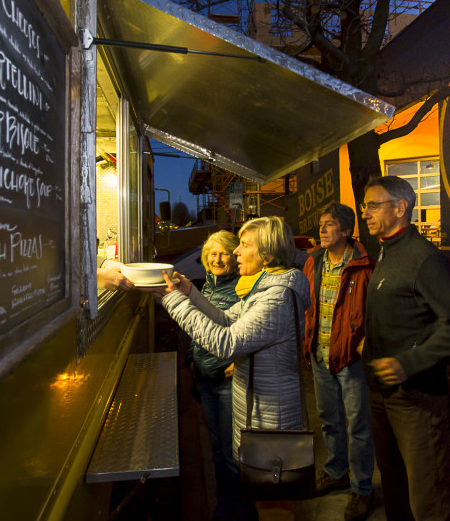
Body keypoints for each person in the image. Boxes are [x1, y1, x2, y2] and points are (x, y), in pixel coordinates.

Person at [149, 216, 311, 521]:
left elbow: (225, 342)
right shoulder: (264, 289)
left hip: (270, 419)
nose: (236, 252)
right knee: (262, 499)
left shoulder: (274, 298)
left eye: (244, 245)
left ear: (267, 253)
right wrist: (189, 294)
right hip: (260, 412)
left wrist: (174, 302)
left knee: (273, 507)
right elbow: (226, 318)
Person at [360, 175, 450, 520]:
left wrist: (408, 363)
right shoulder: (386, 252)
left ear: (400, 208)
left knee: (430, 497)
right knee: (395, 487)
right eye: (364, 206)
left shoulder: (425, 259)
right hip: (382, 394)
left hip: (416, 398)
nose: (365, 213)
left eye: (373, 205)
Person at [302, 203, 375, 521]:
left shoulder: (363, 264)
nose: (322, 229)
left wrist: (363, 345)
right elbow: (308, 306)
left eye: (329, 224)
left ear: (346, 231)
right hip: (320, 355)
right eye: (321, 224)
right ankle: (336, 472)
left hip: (350, 359)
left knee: (359, 426)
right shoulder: (314, 261)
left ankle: (362, 489)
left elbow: (374, 313)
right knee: (329, 420)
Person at [187, 231, 241, 521]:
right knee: (217, 448)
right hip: (205, 381)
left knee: (233, 454)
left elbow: (250, 334)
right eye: (211, 253)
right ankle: (224, 505)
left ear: (234, 256)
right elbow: (195, 330)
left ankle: (241, 511)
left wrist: (241, 362)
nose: (216, 259)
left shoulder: (241, 290)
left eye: (222, 253)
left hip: (226, 383)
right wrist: (190, 361)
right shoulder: (206, 287)